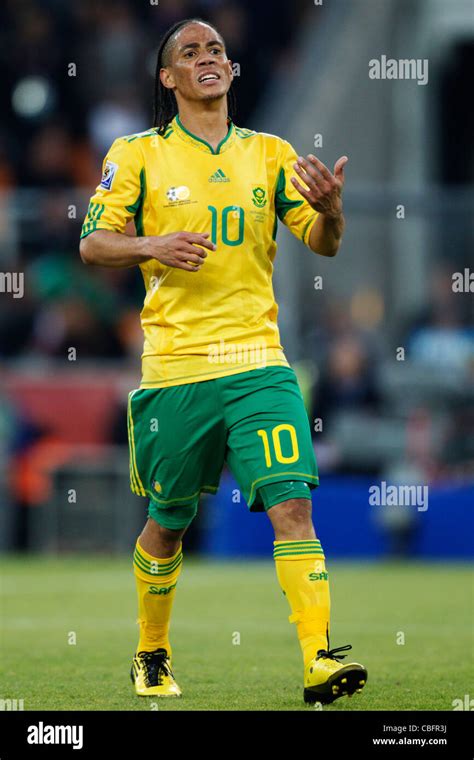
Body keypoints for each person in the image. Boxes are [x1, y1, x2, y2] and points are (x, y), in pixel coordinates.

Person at [79, 17, 367, 705]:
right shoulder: (138, 153)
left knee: (292, 507)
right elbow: (93, 243)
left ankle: (318, 661)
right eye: (190, 52)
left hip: (260, 362)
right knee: (168, 521)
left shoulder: (271, 154)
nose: (207, 57)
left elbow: (323, 243)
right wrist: (152, 245)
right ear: (168, 78)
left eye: (216, 50)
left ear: (231, 71)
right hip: (176, 369)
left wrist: (333, 211)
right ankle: (151, 652)